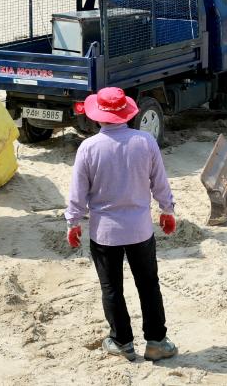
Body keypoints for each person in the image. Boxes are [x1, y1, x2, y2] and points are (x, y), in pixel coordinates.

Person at [65, 86, 178, 362]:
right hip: (140, 229)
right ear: (127, 113)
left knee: (112, 288)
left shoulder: (89, 148)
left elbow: (78, 194)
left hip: (105, 233)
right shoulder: (145, 142)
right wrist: (167, 210)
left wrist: (73, 223)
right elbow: (160, 182)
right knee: (148, 284)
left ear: (97, 116)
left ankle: (122, 342)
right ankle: (156, 342)